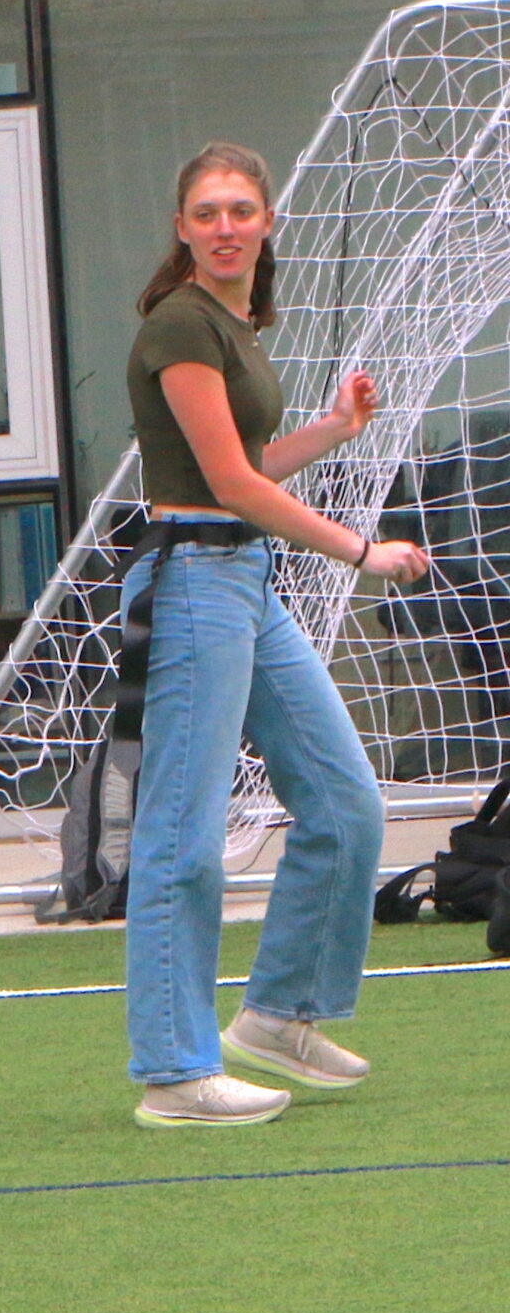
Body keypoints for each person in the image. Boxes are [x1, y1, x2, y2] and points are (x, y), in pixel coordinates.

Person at [120, 142, 427, 1128]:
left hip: (241, 577)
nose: (222, 226)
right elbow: (230, 486)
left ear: (265, 222)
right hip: (195, 581)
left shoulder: (236, 323)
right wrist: (359, 549)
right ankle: (174, 1070)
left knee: (343, 803)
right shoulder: (178, 322)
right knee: (183, 837)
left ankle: (282, 1014)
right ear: (181, 227)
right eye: (205, 211)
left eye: (239, 210)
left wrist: (336, 430)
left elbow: (249, 461)